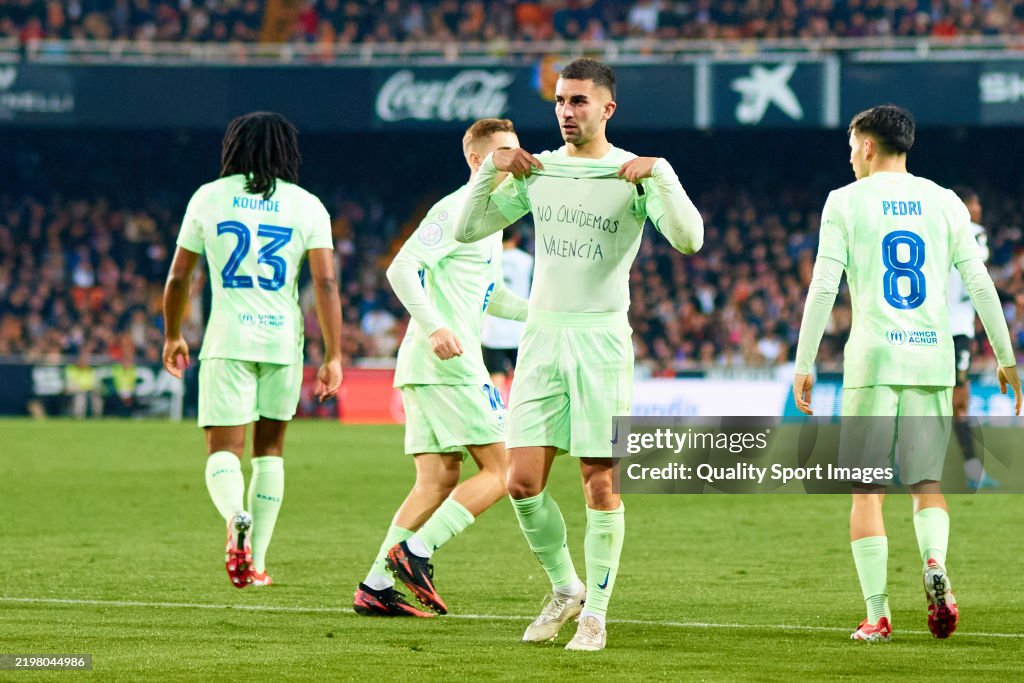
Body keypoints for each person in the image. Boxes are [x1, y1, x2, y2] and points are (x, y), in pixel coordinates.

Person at [455, 58, 703, 651]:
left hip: (600, 339)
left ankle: (598, 613)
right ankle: (567, 589)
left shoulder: (633, 174)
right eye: (561, 102)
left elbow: (690, 240)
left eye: (579, 102)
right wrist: (488, 170)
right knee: (520, 481)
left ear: (606, 109)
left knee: (599, 482)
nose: (567, 111)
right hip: (541, 337)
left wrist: (662, 174)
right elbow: (467, 229)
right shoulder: (538, 172)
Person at [793, 104, 1021, 643]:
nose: (849, 155)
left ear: (868, 145)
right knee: (927, 484)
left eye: (852, 144)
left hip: (873, 359)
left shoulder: (844, 202)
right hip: (931, 357)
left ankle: (878, 615)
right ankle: (935, 561)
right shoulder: (945, 202)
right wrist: (1007, 358)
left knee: (866, 492)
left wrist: (804, 364)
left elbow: (823, 287)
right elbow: (981, 283)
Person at [354, 118, 528, 618]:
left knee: (435, 481)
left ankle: (375, 586)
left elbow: (492, 298)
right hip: (447, 360)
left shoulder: (491, 221)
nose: (516, 159)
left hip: (432, 365)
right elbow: (400, 267)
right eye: (504, 151)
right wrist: (435, 326)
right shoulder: (454, 208)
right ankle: (417, 552)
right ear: (477, 160)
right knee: (505, 469)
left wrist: (547, 310)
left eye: (518, 149)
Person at [162, 111, 343, 589]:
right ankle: (256, 562)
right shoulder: (307, 205)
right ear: (287, 151)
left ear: (234, 148)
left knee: (224, 450)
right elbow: (324, 282)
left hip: (227, 339)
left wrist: (172, 333)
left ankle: (234, 514)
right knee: (270, 452)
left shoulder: (209, 196)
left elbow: (180, 276)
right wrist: (333, 355)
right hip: (282, 341)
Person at [947, 186, 997, 488]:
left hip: (938, 327)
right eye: (976, 202)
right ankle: (973, 471)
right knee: (958, 403)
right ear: (965, 206)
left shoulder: (938, 232)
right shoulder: (974, 232)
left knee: (948, 401)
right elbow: (976, 275)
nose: (979, 208)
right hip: (955, 330)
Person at [481, 226, 533, 394]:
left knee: (495, 378)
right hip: (520, 329)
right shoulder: (528, 261)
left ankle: (496, 417)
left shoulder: (488, 259)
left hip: (492, 332)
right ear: (517, 237)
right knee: (525, 379)